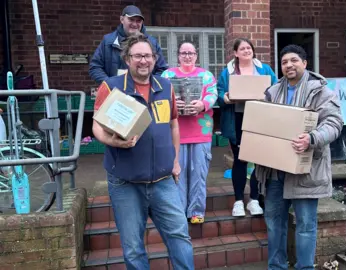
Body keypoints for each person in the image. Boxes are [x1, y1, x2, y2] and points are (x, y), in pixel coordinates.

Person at [92, 33, 194, 270]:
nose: (143, 61)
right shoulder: (112, 87)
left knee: (180, 237)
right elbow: (97, 125)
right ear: (127, 59)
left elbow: (173, 124)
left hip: (163, 180)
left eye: (148, 55)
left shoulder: (165, 85)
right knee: (133, 247)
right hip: (125, 182)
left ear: (155, 58)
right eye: (137, 55)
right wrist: (114, 142)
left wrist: (176, 161)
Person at [256, 44, 343, 270]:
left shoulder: (321, 91)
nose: (288, 65)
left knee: (305, 225)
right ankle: (277, 267)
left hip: (306, 171)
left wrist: (312, 138)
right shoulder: (272, 92)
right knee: (274, 224)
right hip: (275, 171)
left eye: (294, 60)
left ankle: (305, 268)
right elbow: (263, 125)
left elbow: (334, 123)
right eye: (284, 62)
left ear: (305, 63)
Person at [217, 37, 277, 217]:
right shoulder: (227, 72)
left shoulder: (264, 69)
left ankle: (254, 199)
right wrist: (226, 97)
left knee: (258, 159)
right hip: (237, 118)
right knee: (240, 159)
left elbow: (275, 88)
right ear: (235, 53)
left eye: (249, 48)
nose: (246, 50)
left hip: (259, 117)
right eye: (242, 48)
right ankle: (237, 201)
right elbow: (220, 91)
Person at [161, 41, 218, 224]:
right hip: (175, 132)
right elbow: (160, 96)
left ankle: (196, 212)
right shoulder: (167, 75)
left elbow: (212, 94)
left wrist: (202, 104)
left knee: (198, 173)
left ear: (196, 55)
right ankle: (178, 211)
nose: (187, 56)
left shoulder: (206, 75)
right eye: (183, 53)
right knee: (177, 173)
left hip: (200, 131)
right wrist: (170, 103)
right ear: (178, 55)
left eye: (190, 53)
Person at [89, 5, 168, 84]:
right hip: (115, 93)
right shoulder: (108, 42)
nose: (135, 24)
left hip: (145, 94)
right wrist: (110, 84)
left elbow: (162, 70)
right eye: (131, 19)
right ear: (122, 19)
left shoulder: (152, 43)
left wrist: (149, 86)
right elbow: (95, 67)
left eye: (138, 21)